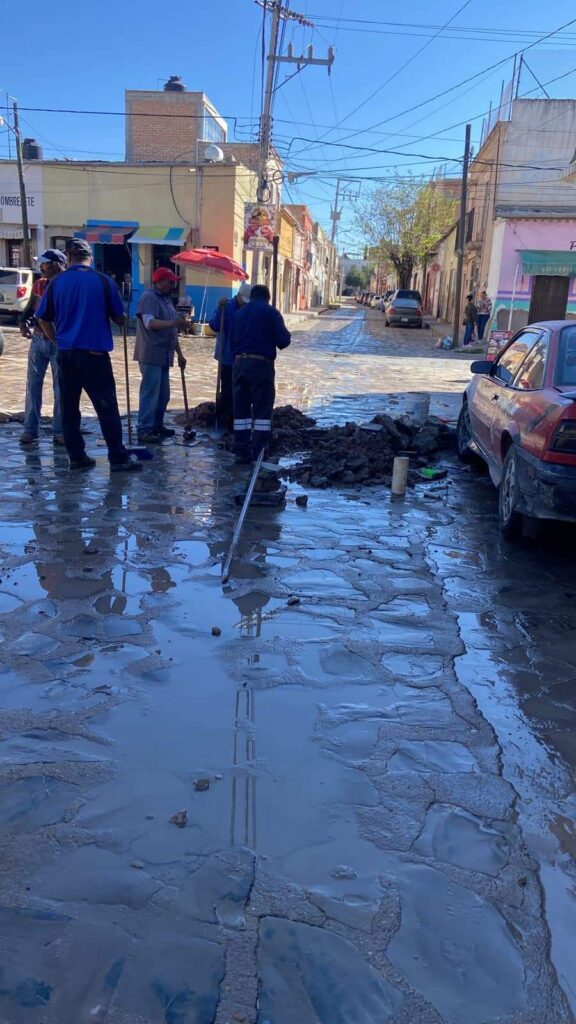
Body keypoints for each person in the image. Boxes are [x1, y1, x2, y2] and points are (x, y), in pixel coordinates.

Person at [37, 237, 141, 473]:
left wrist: (57, 341)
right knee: (106, 407)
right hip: (94, 355)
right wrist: (122, 317)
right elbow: (119, 319)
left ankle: (77, 457)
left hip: (66, 354)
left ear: (68, 256)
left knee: (69, 408)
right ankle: (118, 458)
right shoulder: (102, 281)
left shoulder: (56, 282)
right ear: (90, 257)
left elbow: (43, 319)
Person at [229, 284, 291, 463]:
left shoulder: (237, 314)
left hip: (239, 364)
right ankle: (259, 453)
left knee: (241, 411)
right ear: (267, 298)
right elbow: (283, 341)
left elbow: (231, 342)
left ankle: (240, 451)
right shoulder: (272, 313)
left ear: (251, 297)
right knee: (262, 411)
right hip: (261, 365)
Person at [133, 268, 189, 444]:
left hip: (165, 354)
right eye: (170, 282)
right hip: (151, 352)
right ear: (160, 281)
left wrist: (180, 354)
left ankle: (156, 425)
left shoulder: (166, 299)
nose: (173, 285)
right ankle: (144, 429)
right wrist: (174, 322)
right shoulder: (149, 297)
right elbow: (149, 323)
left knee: (163, 394)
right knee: (150, 393)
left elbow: (172, 330)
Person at [19, 249, 67, 447]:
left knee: (61, 389)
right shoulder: (40, 284)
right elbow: (31, 308)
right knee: (33, 386)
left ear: (56, 265)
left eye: (44, 263)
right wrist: (24, 321)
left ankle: (60, 431)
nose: (41, 267)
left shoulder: (66, 286)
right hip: (38, 340)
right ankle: (30, 430)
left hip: (59, 342)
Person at [208, 281, 251, 432]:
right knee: (227, 387)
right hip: (226, 355)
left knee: (240, 388)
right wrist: (220, 309)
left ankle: (236, 417)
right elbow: (214, 325)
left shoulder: (248, 309)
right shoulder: (226, 306)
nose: (245, 303)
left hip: (242, 356)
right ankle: (224, 416)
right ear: (238, 295)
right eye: (243, 300)